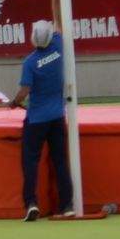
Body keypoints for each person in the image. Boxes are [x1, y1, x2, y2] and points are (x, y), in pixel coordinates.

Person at [11, 19, 74, 221]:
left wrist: (14, 101)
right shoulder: (58, 46)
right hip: (56, 117)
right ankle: (67, 205)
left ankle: (31, 203)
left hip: (36, 119)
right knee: (60, 162)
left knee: (30, 162)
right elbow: (59, 22)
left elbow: (25, 90)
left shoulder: (30, 62)